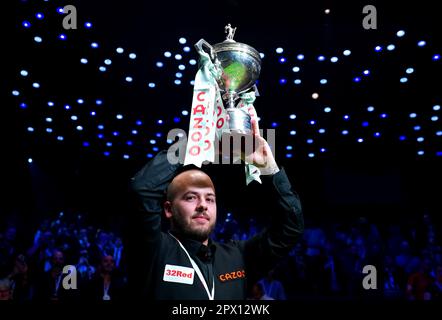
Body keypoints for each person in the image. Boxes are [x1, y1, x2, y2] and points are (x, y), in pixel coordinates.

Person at [130, 119, 304, 300]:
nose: (203, 204)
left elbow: (290, 228)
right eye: (191, 197)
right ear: (168, 209)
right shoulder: (152, 249)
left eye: (210, 199)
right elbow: (142, 190)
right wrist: (197, 145)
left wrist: (268, 168)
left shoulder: (239, 256)